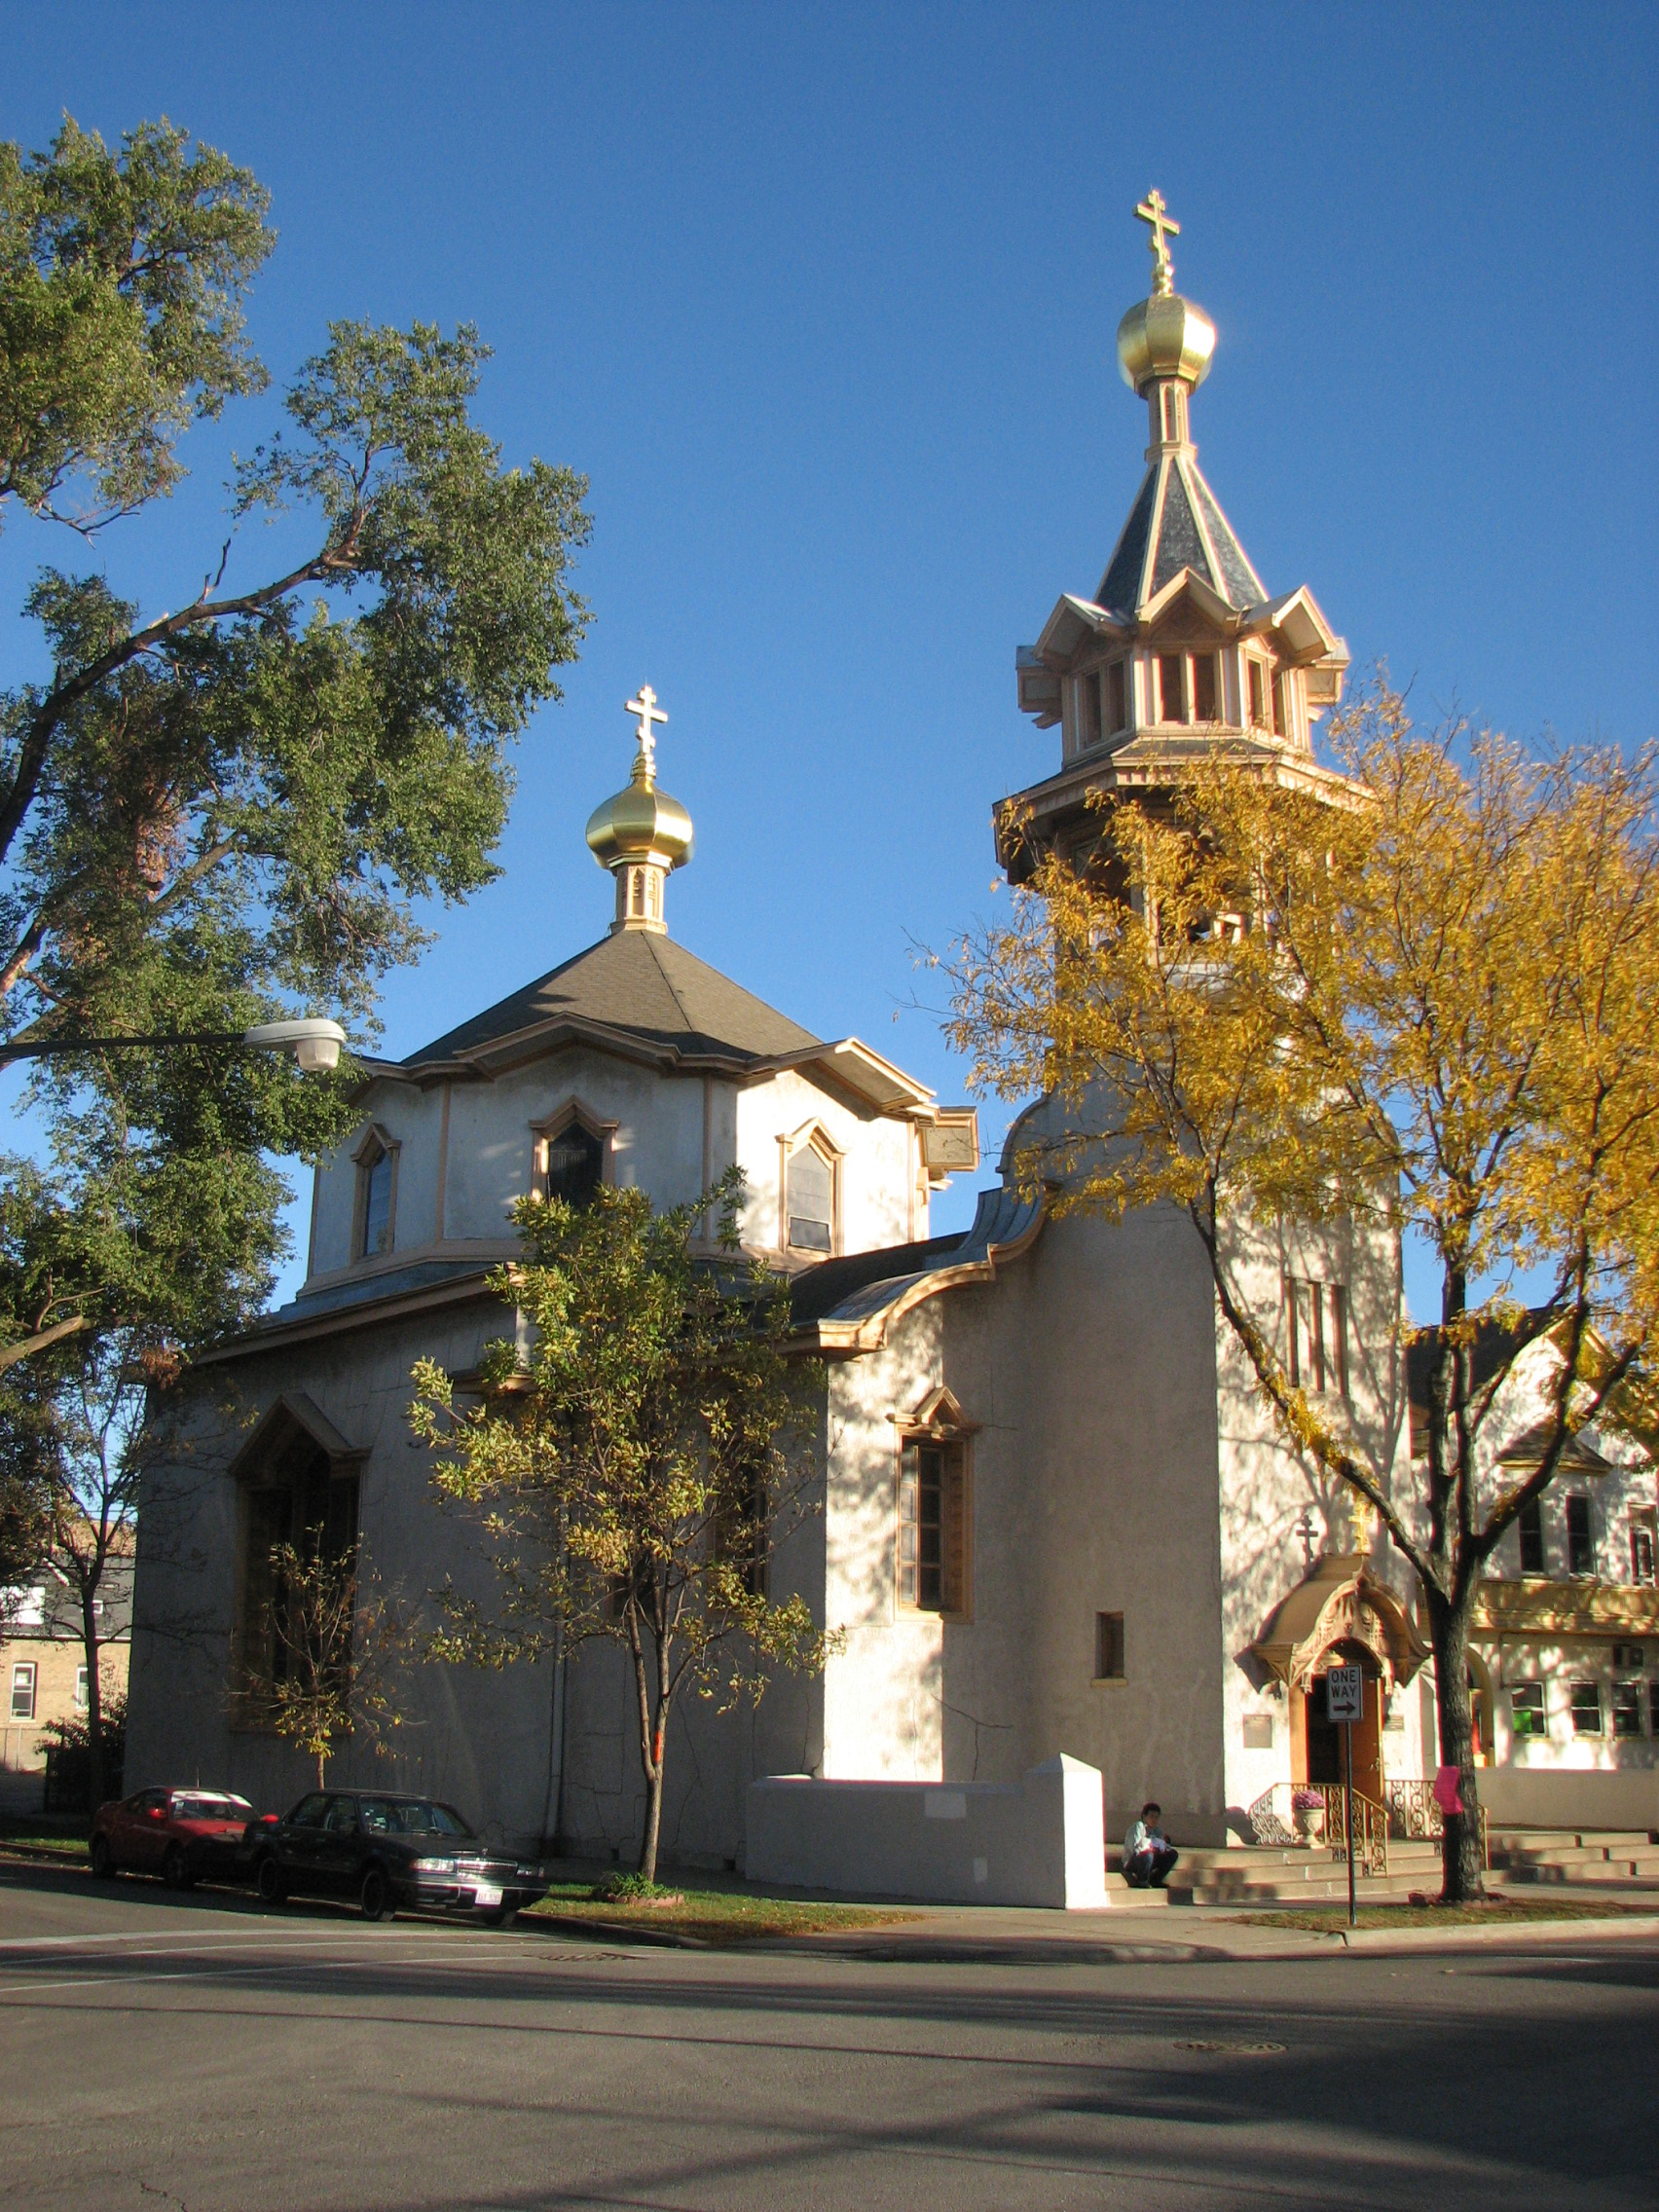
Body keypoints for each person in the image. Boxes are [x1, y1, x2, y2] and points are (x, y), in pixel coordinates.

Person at [1122, 1801, 1179, 1889]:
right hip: (1134, 1861)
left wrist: (1164, 1846)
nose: (1154, 1820)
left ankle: (1156, 1879)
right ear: (1144, 1816)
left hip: (1150, 1860)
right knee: (1148, 1855)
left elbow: (1161, 1845)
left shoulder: (1157, 1830)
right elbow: (1136, 1848)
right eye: (1151, 1816)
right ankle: (1142, 1880)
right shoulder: (1138, 1827)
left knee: (1172, 1854)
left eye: (1156, 1817)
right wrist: (1151, 1843)